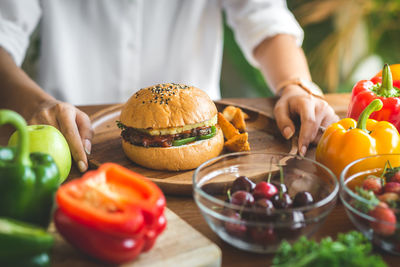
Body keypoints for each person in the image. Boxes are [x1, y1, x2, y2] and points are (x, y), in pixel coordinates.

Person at [0, 0, 338, 173]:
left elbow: (263, 17)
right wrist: (33, 103)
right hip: (66, 138)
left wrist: (294, 84)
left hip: (205, 153)